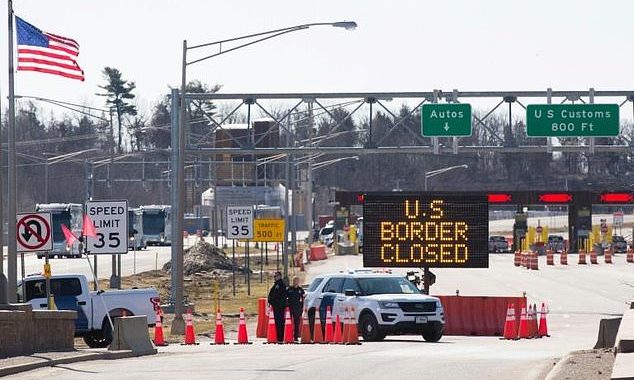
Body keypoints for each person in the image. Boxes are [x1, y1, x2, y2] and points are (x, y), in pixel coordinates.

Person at [267, 271, 287, 342]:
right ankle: (278, 336)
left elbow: (280, 296)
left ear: (279, 276)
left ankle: (280, 337)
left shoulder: (281, 285)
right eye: (274, 276)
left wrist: (274, 302)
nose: (274, 278)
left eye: (276, 276)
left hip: (279, 307)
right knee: (276, 322)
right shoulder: (276, 285)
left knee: (279, 322)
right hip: (275, 307)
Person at [286, 276, 305, 340]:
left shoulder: (300, 290)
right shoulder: (289, 289)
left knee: (297, 323)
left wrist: (302, 307)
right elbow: (286, 297)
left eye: (297, 280)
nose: (295, 282)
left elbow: (303, 298)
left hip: (297, 307)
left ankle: (295, 336)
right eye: (294, 280)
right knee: (289, 322)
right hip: (290, 307)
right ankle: (288, 335)